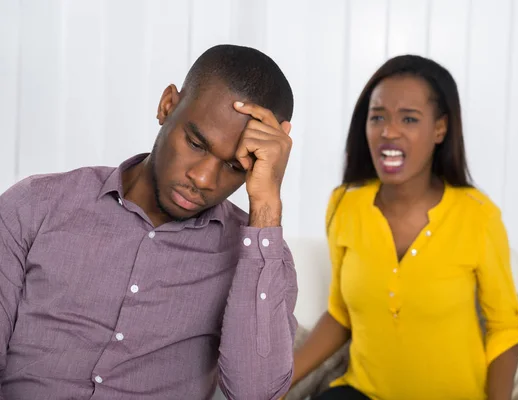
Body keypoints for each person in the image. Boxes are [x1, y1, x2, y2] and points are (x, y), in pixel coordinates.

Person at [0, 44, 298, 400]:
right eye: (196, 144)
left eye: (234, 166)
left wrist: (265, 205)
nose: (203, 179)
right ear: (167, 105)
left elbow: (257, 394)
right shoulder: (36, 205)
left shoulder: (261, 258)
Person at [287, 55, 518, 400]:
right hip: (361, 393)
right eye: (378, 117)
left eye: (409, 119)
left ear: (440, 129)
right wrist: (273, 384)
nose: (389, 131)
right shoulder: (345, 205)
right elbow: (341, 314)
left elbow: (505, 328)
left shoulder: (478, 216)